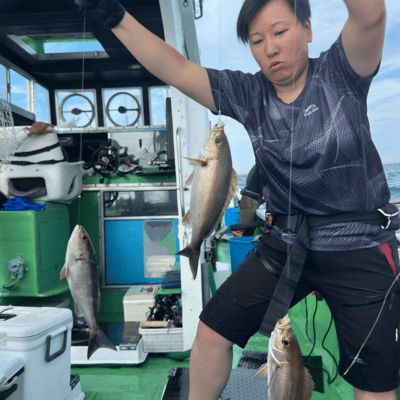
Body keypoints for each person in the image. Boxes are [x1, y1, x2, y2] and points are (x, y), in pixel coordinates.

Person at [73, 1, 400, 399]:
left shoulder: (341, 72)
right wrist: (116, 17)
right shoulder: (249, 93)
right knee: (212, 332)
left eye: (280, 32)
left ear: (308, 29)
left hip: (359, 245)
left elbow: (371, 14)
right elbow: (176, 69)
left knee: (371, 380)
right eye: (257, 41)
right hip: (286, 243)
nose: (270, 49)